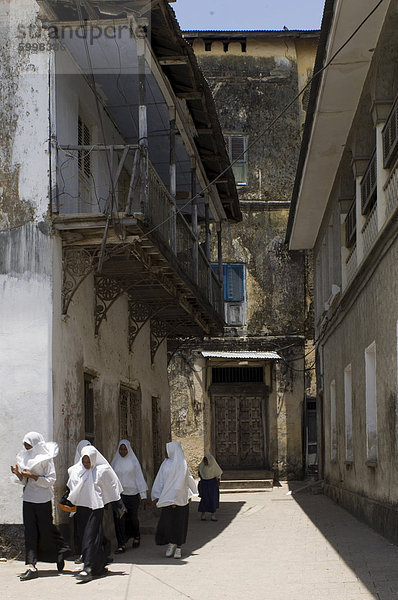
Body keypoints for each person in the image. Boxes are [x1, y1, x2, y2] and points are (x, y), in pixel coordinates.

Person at [10, 431, 71, 581]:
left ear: (36, 444)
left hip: (43, 500)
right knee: (30, 531)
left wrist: (33, 476)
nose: (26, 446)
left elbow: (51, 480)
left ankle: (59, 553)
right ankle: (32, 565)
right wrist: (19, 474)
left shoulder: (46, 459)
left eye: (28, 444)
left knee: (46, 530)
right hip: (28, 499)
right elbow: (25, 482)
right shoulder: (24, 456)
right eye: (25, 444)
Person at [67, 445, 123, 582]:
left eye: (88, 461)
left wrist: (119, 506)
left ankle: (88, 568)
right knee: (88, 537)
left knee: (90, 537)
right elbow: (71, 486)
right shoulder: (76, 470)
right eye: (84, 461)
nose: (86, 464)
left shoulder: (101, 471)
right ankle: (99, 567)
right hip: (81, 508)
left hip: (95, 509)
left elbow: (113, 486)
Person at [151, 441, 197, 559]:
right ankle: (171, 543)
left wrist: (185, 495)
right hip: (167, 498)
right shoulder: (165, 464)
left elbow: (186, 480)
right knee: (168, 523)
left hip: (180, 499)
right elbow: (160, 480)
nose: (165, 453)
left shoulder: (182, 464)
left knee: (180, 524)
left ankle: (179, 547)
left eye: (167, 450)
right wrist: (156, 495)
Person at [111, 439, 148, 553]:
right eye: (121, 449)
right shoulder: (115, 462)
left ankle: (136, 536)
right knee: (120, 519)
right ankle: (121, 544)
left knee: (132, 519)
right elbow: (111, 478)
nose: (122, 451)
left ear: (129, 449)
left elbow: (139, 478)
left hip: (132, 494)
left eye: (125, 449)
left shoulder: (133, 461)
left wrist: (143, 495)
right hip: (119, 495)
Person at [71, 440, 92, 564]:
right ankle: (82, 553)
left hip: (93, 504)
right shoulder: (74, 469)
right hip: (79, 504)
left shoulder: (95, 467)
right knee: (81, 530)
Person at [197, 453, 222, 521]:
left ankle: (213, 515)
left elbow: (218, 474)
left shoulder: (214, 466)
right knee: (204, 499)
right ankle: (203, 514)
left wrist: (218, 481)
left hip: (212, 484)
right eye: (204, 460)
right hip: (204, 483)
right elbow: (199, 472)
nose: (205, 462)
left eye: (206, 460)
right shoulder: (202, 466)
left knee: (212, 499)